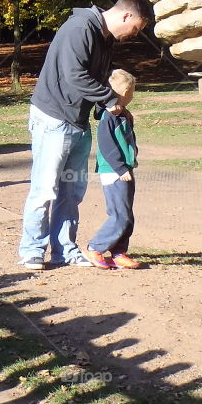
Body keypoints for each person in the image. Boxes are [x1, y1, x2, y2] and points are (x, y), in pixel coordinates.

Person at [18, 0, 152, 270]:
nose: (134, 35)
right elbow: (75, 75)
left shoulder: (104, 38)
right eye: (136, 28)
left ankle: (65, 251)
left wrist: (111, 106)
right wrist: (110, 100)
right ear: (126, 16)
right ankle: (32, 249)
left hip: (78, 121)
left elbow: (96, 78)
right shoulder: (80, 28)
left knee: (72, 191)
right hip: (53, 118)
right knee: (45, 189)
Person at [86, 69, 140, 270]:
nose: (132, 95)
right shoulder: (108, 118)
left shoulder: (123, 114)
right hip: (113, 171)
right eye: (131, 91)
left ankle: (119, 252)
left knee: (127, 214)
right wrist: (119, 168)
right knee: (119, 215)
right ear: (122, 92)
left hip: (125, 169)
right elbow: (106, 146)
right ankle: (95, 247)